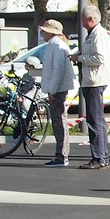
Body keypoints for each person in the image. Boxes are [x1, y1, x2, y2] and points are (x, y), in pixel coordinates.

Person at [72, 4, 110, 170]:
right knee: (96, 120)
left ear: (90, 19)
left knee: (95, 121)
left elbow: (99, 58)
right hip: (91, 80)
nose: (81, 20)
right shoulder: (93, 34)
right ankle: (101, 156)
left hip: (96, 81)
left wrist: (79, 58)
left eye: (82, 17)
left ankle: (99, 157)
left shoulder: (99, 35)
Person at [38, 18, 76, 167]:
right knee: (58, 122)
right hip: (56, 89)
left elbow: (58, 71)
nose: (42, 33)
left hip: (58, 90)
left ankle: (62, 155)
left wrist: (52, 90)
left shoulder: (57, 46)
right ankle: (60, 154)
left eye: (45, 31)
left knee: (59, 122)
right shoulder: (54, 45)